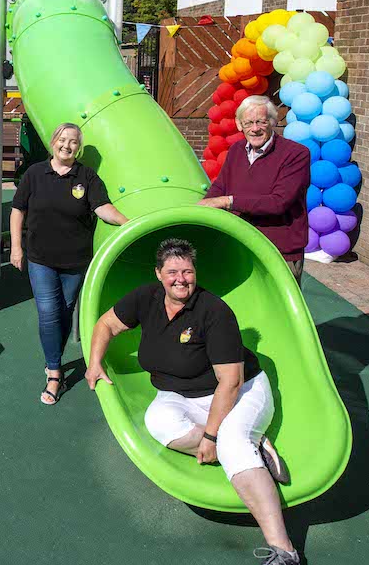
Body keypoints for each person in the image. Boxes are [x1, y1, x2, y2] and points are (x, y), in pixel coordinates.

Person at [84, 238, 298, 565]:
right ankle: (257, 446)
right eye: (172, 272)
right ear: (158, 274)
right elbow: (106, 324)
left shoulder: (213, 311)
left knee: (231, 443)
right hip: (181, 394)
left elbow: (232, 380)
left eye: (187, 271)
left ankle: (284, 550)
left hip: (240, 393)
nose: (180, 278)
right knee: (158, 424)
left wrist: (213, 436)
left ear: (195, 272)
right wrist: (95, 362)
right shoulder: (145, 298)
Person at [10, 122, 128, 405]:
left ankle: (54, 358)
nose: (67, 145)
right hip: (40, 258)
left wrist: (129, 223)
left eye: (73, 141)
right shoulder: (35, 174)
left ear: (79, 147)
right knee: (49, 312)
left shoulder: (86, 177)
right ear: (53, 142)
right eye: (63, 139)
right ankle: (54, 373)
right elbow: (17, 210)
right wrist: (16, 247)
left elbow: (103, 208)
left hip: (75, 261)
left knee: (64, 312)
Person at [198, 95, 310, 285]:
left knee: (278, 312)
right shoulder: (236, 150)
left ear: (273, 122)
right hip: (239, 244)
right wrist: (202, 207)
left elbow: (279, 202)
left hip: (279, 251)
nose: (255, 128)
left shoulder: (296, 154)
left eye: (261, 121)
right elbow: (220, 186)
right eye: (248, 122)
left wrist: (227, 201)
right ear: (239, 124)